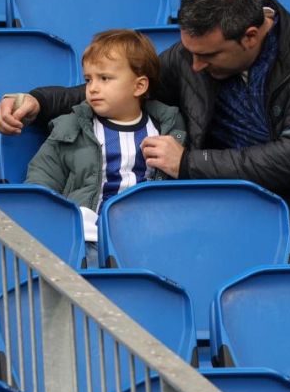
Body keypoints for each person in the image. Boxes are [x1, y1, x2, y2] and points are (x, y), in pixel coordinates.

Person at [0, 0, 290, 219]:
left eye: (208, 55)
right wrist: (40, 102)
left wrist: (190, 164)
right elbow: (125, 88)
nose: (194, 66)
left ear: (251, 36)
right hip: (234, 208)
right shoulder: (191, 56)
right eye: (190, 52)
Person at [21, 29, 186, 252]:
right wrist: (55, 221)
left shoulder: (168, 128)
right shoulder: (72, 127)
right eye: (88, 79)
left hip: (149, 236)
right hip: (88, 235)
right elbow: (43, 177)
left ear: (139, 86)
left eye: (104, 78)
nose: (93, 88)